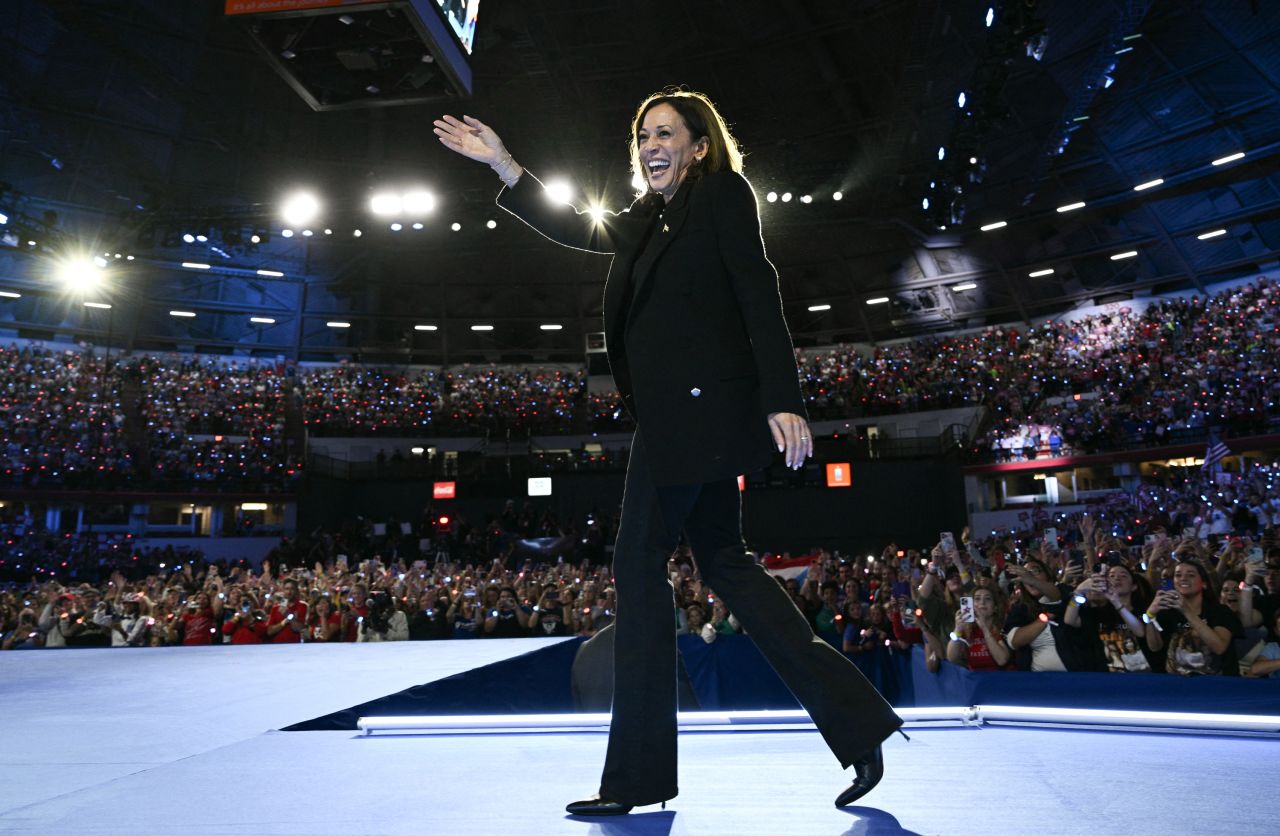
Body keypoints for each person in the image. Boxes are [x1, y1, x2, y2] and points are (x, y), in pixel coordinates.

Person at [434, 88, 902, 816]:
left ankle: (638, 777)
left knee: (636, 565)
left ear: (698, 145)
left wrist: (784, 398)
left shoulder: (720, 194)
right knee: (725, 563)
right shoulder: (647, 220)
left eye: (665, 134)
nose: (650, 145)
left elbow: (757, 287)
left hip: (695, 413)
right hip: (683, 415)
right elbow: (579, 228)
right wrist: (505, 165)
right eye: (642, 135)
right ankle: (859, 721)